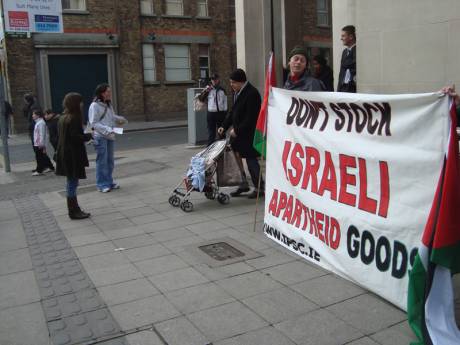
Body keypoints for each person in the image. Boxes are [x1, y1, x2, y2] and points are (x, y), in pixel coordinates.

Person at [218, 69, 263, 199]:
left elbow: (251, 117)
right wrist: (224, 126)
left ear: (241, 82)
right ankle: (243, 184)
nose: (231, 85)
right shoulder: (237, 92)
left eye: (233, 82)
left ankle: (260, 187)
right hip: (237, 134)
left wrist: (237, 130)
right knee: (236, 155)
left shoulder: (252, 93)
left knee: (251, 160)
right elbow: (233, 112)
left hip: (248, 133)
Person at [55, 93, 93, 220]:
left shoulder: (62, 117)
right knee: (72, 182)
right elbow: (75, 137)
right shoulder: (74, 118)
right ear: (75, 103)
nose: (82, 104)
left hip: (64, 154)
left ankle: (74, 208)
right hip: (72, 155)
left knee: (71, 181)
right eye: (80, 102)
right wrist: (88, 136)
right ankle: (73, 210)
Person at [88, 83, 127, 193]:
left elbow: (112, 117)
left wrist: (120, 119)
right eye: (108, 92)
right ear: (101, 93)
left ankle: (109, 182)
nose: (110, 93)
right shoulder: (94, 106)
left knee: (110, 161)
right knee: (102, 161)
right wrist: (107, 129)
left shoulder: (108, 104)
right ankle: (101, 184)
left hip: (110, 135)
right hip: (100, 136)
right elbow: (93, 123)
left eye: (110, 91)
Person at [200, 74, 228, 146]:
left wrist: (225, 112)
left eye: (215, 79)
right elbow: (201, 99)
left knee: (221, 132)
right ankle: (209, 150)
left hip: (220, 113)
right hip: (211, 114)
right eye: (212, 79)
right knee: (211, 133)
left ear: (218, 79)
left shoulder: (222, 90)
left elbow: (225, 102)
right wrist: (206, 91)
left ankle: (222, 148)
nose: (214, 81)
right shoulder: (208, 89)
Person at [31, 110, 55, 176]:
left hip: (39, 144)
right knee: (43, 156)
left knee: (39, 157)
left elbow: (42, 134)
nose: (32, 116)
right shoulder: (38, 123)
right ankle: (50, 167)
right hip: (37, 143)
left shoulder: (41, 123)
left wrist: (41, 144)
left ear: (38, 115)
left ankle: (39, 170)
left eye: (34, 114)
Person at [337, 25, 357, 93]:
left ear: (351, 37)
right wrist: (338, 90)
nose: (341, 38)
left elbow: (349, 64)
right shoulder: (344, 52)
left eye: (343, 36)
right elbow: (341, 72)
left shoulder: (358, 50)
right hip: (343, 88)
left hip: (353, 88)